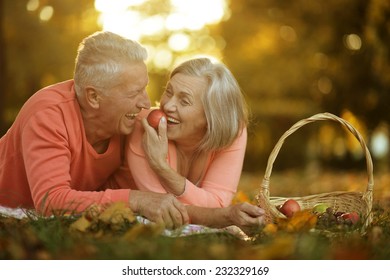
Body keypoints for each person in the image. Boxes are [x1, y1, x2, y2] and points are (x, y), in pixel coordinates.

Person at [0, 31, 189, 229]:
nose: (146, 103)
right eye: (134, 93)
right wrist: (137, 200)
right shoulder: (48, 115)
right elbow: (50, 201)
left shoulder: (131, 124)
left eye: (144, 89)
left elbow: (111, 194)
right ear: (94, 97)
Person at [125, 58, 265, 232]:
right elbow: (165, 211)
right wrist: (222, 215)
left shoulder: (232, 131)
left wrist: (161, 166)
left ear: (211, 116)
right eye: (168, 92)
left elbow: (218, 203)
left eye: (184, 101)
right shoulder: (145, 127)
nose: (168, 105)